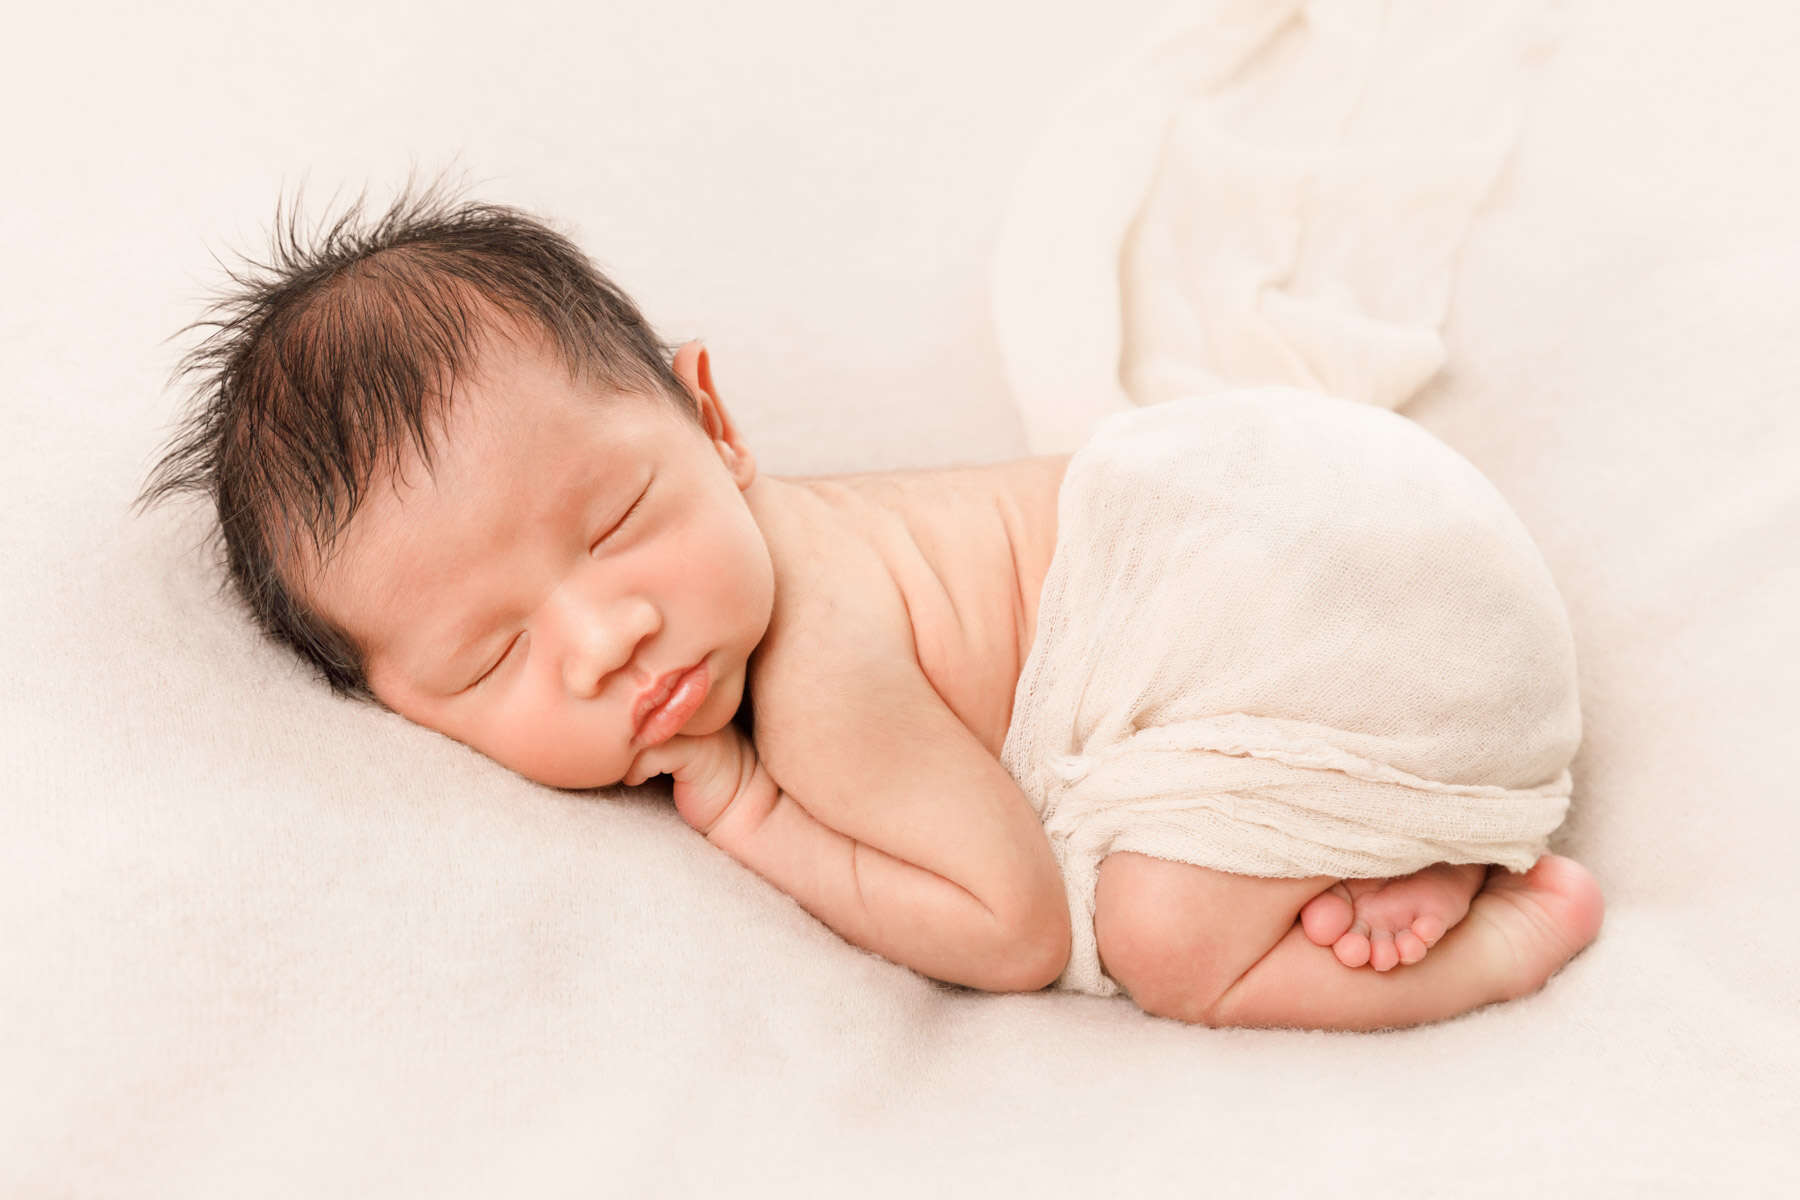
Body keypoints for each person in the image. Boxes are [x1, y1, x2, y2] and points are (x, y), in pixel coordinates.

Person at [137, 186, 1603, 1030]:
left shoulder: (819, 665)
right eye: (496, 654)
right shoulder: (781, 560)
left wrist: (750, 816)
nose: (605, 638)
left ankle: (1499, 920)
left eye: (620, 522)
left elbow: (1016, 925)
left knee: (1161, 936)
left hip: (1361, 598)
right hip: (1365, 533)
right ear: (400, 713)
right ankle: (1386, 827)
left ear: (713, 420)